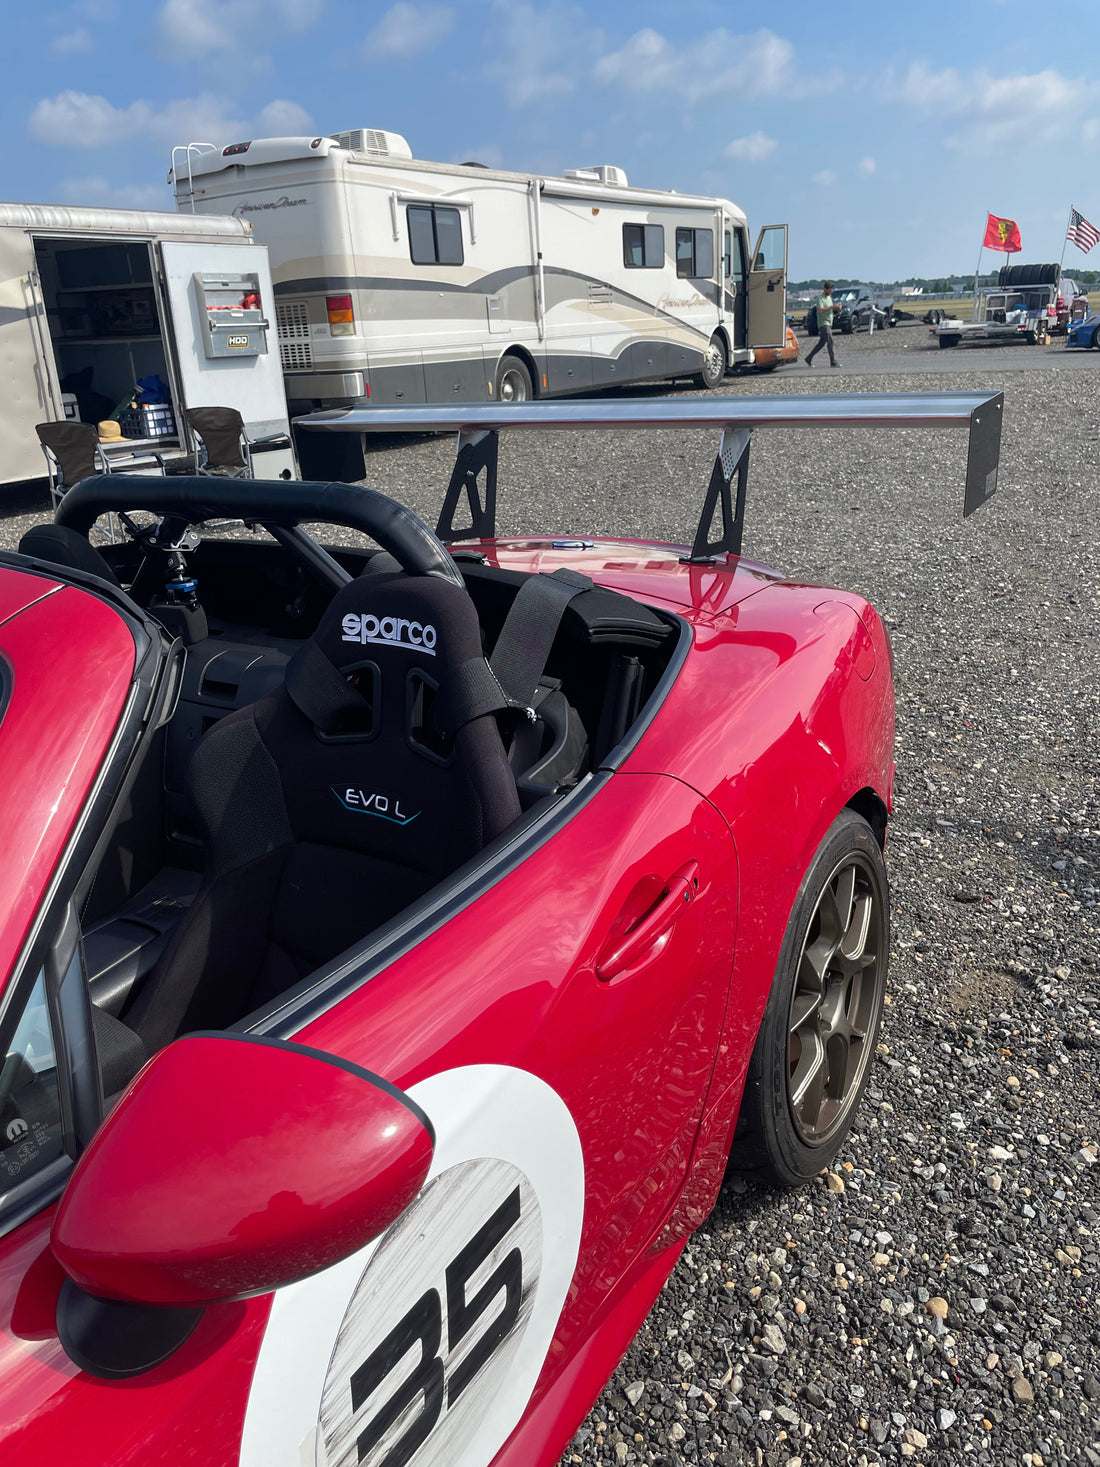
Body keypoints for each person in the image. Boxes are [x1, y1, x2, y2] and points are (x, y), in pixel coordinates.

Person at [806, 282, 841, 367]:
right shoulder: (820, 298)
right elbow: (820, 310)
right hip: (823, 323)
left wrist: (837, 308)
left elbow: (829, 310)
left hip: (829, 322)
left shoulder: (829, 298)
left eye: (832, 290)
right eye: (830, 290)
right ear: (825, 289)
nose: (831, 291)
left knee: (822, 342)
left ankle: (809, 358)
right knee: (830, 341)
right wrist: (832, 307)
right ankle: (833, 361)